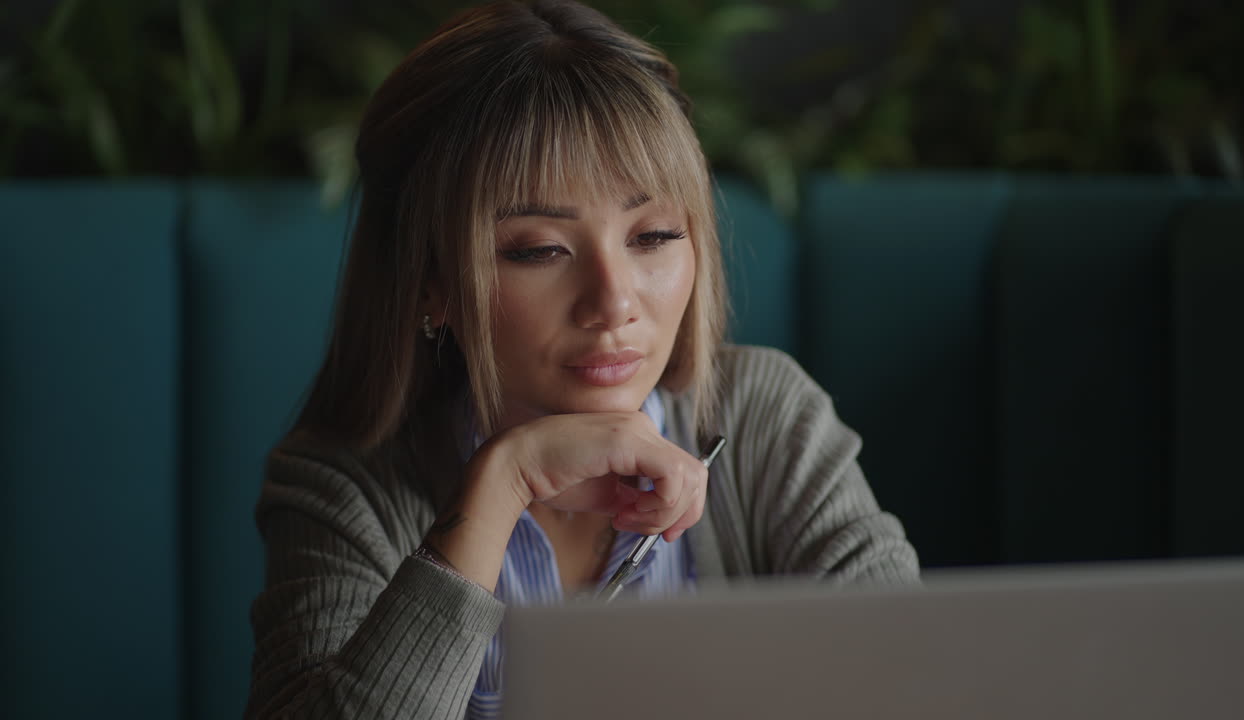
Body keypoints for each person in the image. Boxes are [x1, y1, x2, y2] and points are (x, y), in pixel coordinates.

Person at [245, 1, 918, 717]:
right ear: (430, 282)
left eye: (653, 236)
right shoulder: (342, 484)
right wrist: (503, 483)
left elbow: (914, 675)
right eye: (540, 250)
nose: (614, 301)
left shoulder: (764, 418)